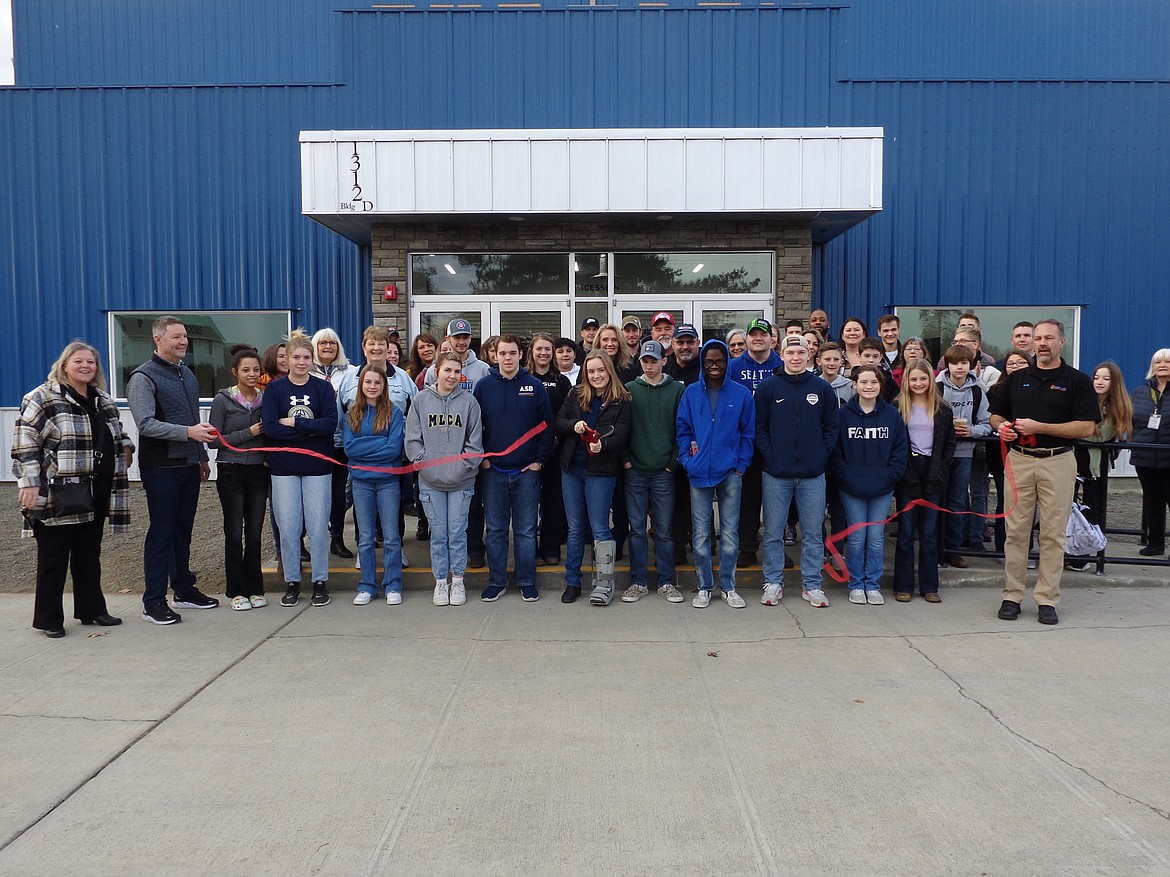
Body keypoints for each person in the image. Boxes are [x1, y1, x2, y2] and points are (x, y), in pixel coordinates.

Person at [13, 341, 134, 637]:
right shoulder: (42, 397)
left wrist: (127, 447)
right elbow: (25, 442)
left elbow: (118, 431)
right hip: (60, 489)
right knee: (54, 557)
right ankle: (49, 619)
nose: (85, 366)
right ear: (65, 364)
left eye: (91, 362)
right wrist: (29, 482)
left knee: (88, 553)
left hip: (98, 487)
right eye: (79, 361)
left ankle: (92, 610)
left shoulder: (102, 399)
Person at [989, 318, 1098, 625]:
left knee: (1052, 534)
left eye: (1049, 338)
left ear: (1062, 342)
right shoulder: (1017, 378)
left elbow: (1087, 427)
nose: (1042, 343)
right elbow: (996, 415)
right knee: (1016, 531)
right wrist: (1003, 429)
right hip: (1020, 459)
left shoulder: (1076, 381)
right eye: (1038, 338)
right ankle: (1012, 595)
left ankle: (1047, 598)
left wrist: (1040, 427)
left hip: (1058, 461)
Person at [126, 315, 219, 624]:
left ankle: (183, 590)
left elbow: (192, 417)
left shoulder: (187, 375)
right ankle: (152, 602)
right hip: (161, 467)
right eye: (176, 337)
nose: (183, 342)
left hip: (189, 464)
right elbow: (146, 424)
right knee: (161, 534)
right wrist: (188, 434)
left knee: (182, 531)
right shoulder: (144, 377)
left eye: (184, 337)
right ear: (158, 340)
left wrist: (202, 456)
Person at [754, 335, 838, 609]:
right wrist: (772, 458)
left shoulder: (822, 389)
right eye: (790, 352)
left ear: (809, 355)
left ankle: (812, 585)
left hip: (813, 475)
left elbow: (831, 428)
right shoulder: (768, 388)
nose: (796, 357)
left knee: (814, 533)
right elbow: (760, 429)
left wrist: (820, 456)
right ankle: (773, 582)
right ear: (781, 354)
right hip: (776, 474)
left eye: (801, 352)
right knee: (774, 532)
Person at [473, 334, 555, 602]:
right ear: (494, 356)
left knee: (525, 531)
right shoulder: (484, 386)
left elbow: (547, 426)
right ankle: (497, 581)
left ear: (521, 354)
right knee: (495, 531)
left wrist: (539, 461)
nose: (507, 358)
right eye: (502, 353)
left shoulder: (534, 386)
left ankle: (526, 581)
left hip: (526, 473)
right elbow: (475, 428)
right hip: (493, 472)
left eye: (512, 353)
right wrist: (482, 458)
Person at [676, 339, 755, 609]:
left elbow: (748, 433)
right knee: (700, 535)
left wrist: (740, 465)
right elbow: (683, 429)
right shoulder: (690, 393)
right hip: (698, 473)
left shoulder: (742, 394)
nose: (714, 366)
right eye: (709, 361)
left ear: (727, 362)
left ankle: (728, 586)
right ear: (702, 362)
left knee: (730, 534)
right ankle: (704, 586)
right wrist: (687, 460)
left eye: (719, 361)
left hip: (730, 472)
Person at [262, 333, 338, 609]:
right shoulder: (275, 390)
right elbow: (270, 428)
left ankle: (320, 580)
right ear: (287, 359)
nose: (302, 362)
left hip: (318, 467)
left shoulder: (323, 388)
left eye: (307, 357)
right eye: (296, 357)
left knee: (318, 526)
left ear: (312, 359)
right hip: (284, 468)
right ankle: (292, 580)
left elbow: (329, 425)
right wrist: (309, 432)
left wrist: (294, 425)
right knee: (289, 526)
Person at [405, 351, 483, 607]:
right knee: (439, 533)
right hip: (431, 482)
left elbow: (475, 443)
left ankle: (458, 580)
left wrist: (462, 466)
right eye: (447, 370)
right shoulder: (420, 400)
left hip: (461, 482)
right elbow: (413, 440)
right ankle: (440, 581)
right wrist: (425, 464)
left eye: (456, 371)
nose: (452, 375)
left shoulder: (470, 402)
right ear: (436, 371)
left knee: (457, 532)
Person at [556, 350, 632, 605]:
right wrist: (574, 425)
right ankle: (573, 582)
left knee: (600, 528)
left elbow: (621, 437)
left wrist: (604, 446)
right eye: (591, 371)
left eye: (601, 370)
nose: (596, 375)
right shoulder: (575, 394)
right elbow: (560, 422)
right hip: (572, 470)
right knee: (575, 529)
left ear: (609, 371)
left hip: (601, 472)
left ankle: (604, 584)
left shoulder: (622, 400)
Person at [831, 364, 908, 605]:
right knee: (856, 537)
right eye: (863, 382)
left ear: (880, 385)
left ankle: (871, 584)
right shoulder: (843, 415)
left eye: (873, 382)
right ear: (854, 384)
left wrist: (890, 477)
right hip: (851, 486)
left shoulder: (891, 415)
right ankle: (855, 583)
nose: (869, 387)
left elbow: (899, 450)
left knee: (875, 537)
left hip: (882, 487)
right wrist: (844, 475)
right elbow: (836, 451)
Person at [424, 318, 492, 567]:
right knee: (444, 519)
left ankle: (475, 548)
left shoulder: (482, 368)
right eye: (457, 338)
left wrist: (473, 456)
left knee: (472, 505)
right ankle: (445, 567)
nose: (461, 342)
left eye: (465, 338)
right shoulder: (433, 370)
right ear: (448, 339)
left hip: (471, 444)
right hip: (442, 441)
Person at [622, 340, 685, 604]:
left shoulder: (677, 390)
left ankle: (666, 581)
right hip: (635, 469)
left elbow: (683, 429)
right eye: (645, 361)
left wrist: (673, 462)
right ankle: (638, 582)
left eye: (654, 361)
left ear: (663, 361)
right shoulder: (629, 390)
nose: (649, 365)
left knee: (664, 530)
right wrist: (625, 459)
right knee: (636, 529)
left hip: (664, 470)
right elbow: (621, 427)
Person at [209, 345, 268, 611]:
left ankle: (256, 588)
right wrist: (249, 432)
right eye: (246, 370)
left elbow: (269, 434)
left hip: (258, 471)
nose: (252, 374)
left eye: (256, 369)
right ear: (235, 372)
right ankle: (236, 590)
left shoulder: (264, 399)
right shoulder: (223, 400)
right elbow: (214, 441)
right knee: (234, 533)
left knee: (254, 533)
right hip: (231, 470)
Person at [892, 359, 956, 602]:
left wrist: (939, 469)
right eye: (914, 379)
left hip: (933, 471)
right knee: (907, 531)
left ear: (931, 380)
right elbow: (896, 444)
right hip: (908, 470)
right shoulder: (898, 406)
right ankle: (903, 585)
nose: (918, 383)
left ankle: (930, 586)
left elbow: (949, 444)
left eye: (923, 378)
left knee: (929, 533)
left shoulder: (943, 409)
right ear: (906, 381)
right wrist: (905, 471)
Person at [343, 365, 405, 605]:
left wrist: (364, 448)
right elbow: (349, 448)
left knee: (391, 537)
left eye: (377, 383)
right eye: (368, 382)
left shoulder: (394, 413)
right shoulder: (352, 414)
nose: (372, 386)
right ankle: (367, 585)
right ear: (361, 385)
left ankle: (393, 584)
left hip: (388, 481)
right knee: (366, 537)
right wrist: (378, 442)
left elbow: (394, 449)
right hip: (361, 483)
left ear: (383, 386)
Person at [1066, 361, 1132, 569]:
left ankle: (1086, 555)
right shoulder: (1084, 400)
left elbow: (1099, 436)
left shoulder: (1118, 406)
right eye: (1096, 377)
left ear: (1114, 382)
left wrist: (1079, 428)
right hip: (1072, 462)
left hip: (1096, 467)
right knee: (1067, 508)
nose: (1100, 382)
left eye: (1106, 378)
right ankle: (1067, 552)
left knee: (1093, 510)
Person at [728, 318, 782, 567]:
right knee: (747, 499)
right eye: (753, 334)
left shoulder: (782, 365)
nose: (758, 338)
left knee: (776, 500)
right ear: (747, 339)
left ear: (772, 338)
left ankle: (776, 549)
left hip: (775, 442)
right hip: (744, 442)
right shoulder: (734, 366)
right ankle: (746, 548)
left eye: (763, 334)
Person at [937, 344, 992, 568]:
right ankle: (937, 549)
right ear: (947, 365)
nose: (959, 367)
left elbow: (987, 423)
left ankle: (953, 549)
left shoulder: (978, 390)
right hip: (939, 453)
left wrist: (971, 431)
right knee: (937, 500)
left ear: (971, 365)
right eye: (954, 363)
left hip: (965, 453)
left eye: (963, 363)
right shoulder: (937, 387)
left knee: (958, 501)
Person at [527, 333, 573, 565]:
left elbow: (567, 413)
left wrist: (556, 438)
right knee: (530, 502)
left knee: (554, 501)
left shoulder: (562, 381)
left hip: (556, 449)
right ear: (532, 352)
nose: (543, 353)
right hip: (530, 450)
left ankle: (551, 547)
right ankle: (531, 551)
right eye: (539, 349)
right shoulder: (525, 377)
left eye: (548, 349)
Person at [311, 327, 356, 560]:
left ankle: (336, 539)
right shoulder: (305, 372)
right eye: (323, 343)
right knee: (316, 495)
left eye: (332, 343)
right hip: (315, 443)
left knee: (338, 494)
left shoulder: (350, 371)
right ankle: (312, 540)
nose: (328, 347)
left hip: (341, 443)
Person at [986, 351, 1031, 552]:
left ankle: (1025, 548)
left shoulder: (1037, 389)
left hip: (1031, 451)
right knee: (1006, 498)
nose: (1016, 366)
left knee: (1027, 503)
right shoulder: (996, 390)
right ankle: (1002, 547)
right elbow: (989, 418)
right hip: (1001, 452)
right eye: (1011, 363)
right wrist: (1002, 426)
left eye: (1021, 362)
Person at [1130, 349, 1170, 558]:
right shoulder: (1140, 392)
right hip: (1145, 456)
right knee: (1152, 500)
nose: (1162, 365)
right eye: (1158, 361)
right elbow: (1131, 420)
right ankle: (1155, 544)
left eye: (1167, 361)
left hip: (1168, 456)